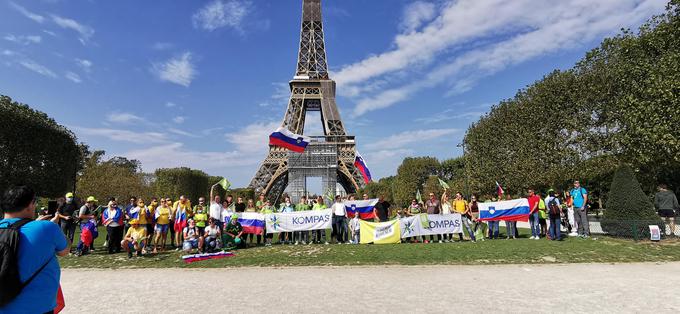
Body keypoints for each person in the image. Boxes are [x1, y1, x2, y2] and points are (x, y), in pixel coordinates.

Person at [0, 185, 69, 313]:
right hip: (36, 308)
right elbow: (64, 250)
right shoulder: (47, 228)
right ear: (30, 204)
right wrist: (52, 226)